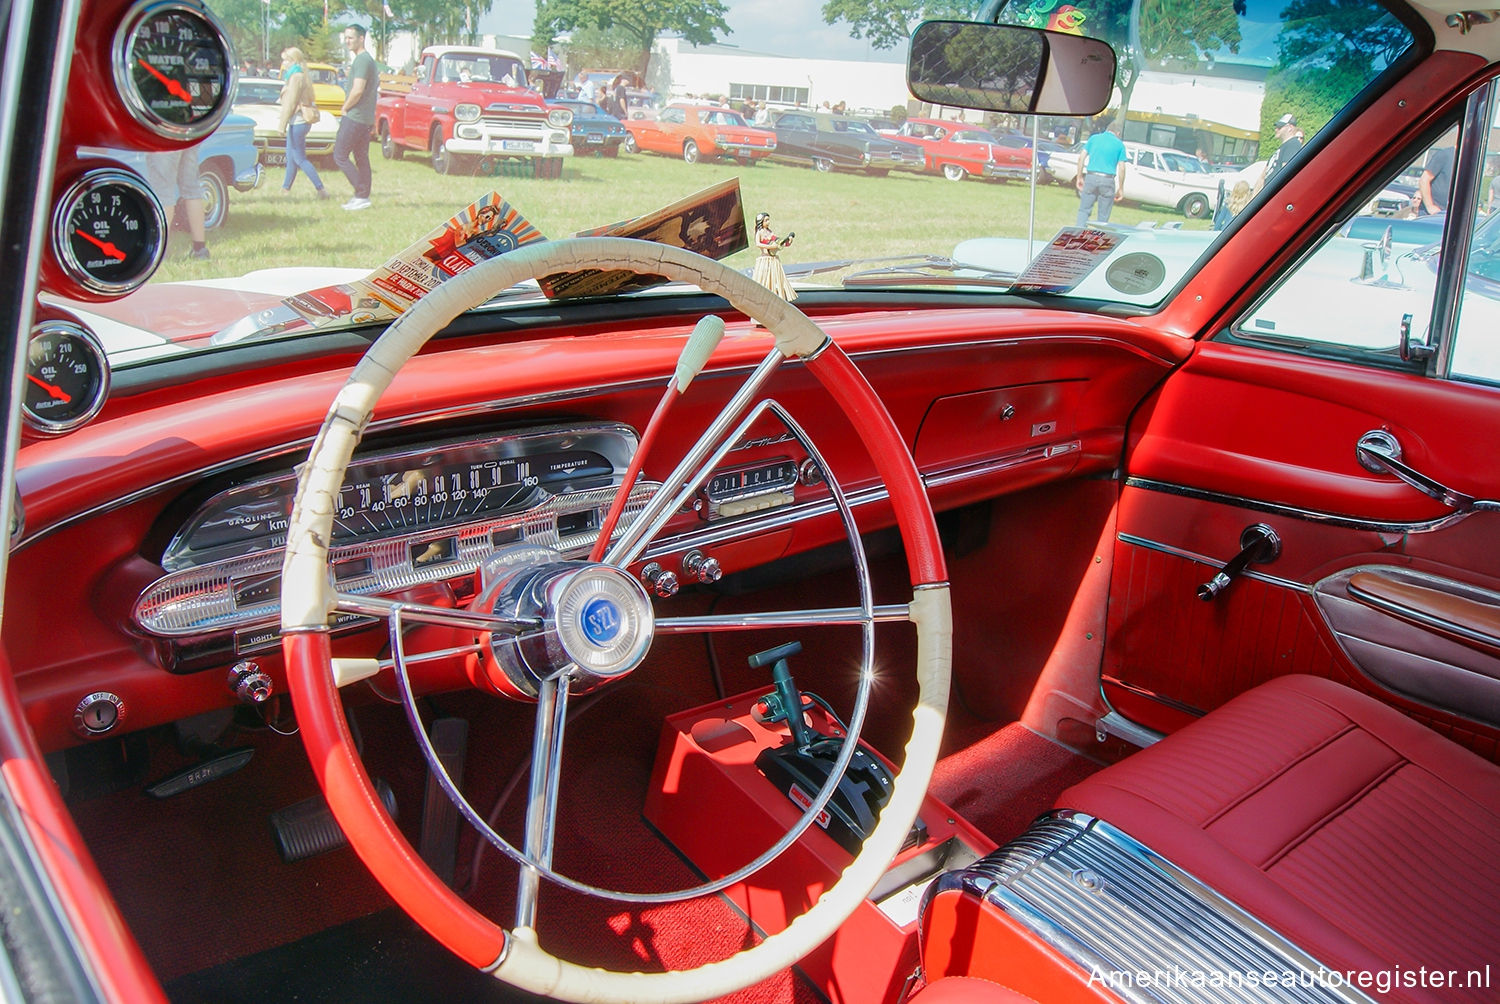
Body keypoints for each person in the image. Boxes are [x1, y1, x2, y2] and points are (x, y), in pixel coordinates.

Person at [333, 23, 379, 211]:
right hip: (365, 117)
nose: (347, 41)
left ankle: (360, 192)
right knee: (361, 157)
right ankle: (362, 197)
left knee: (340, 155)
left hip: (356, 116)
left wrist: (345, 108)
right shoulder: (368, 60)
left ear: (361, 38)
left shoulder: (362, 60)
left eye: (351, 37)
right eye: (346, 38)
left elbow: (358, 89)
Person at [276, 47, 329, 199]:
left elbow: (291, 103)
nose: (283, 63)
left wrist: (282, 125)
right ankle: (285, 188)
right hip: (297, 121)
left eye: (286, 60)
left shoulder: (296, 77)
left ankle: (321, 189)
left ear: (294, 61)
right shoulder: (297, 75)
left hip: (298, 121)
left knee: (299, 158)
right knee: (291, 156)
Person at [145, 145, 209, 260]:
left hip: (165, 136)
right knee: (191, 188)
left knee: (163, 192)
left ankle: (160, 250)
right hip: (190, 133)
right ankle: (200, 248)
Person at [1074, 121, 1127, 227]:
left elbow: (1082, 157)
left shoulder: (1094, 139)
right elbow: (1122, 167)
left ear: (1106, 129)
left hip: (1091, 177)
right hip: (1107, 179)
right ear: (1118, 133)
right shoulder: (1119, 145)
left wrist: (1079, 176)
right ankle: (1098, 237)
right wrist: (1121, 188)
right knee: (1103, 215)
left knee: (1084, 210)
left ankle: (1078, 233)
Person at [750, 212, 796, 303]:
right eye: (766, 220)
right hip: (765, 260)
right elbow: (758, 244)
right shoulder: (760, 232)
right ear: (760, 222)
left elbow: (778, 241)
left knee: (775, 280)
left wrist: (787, 242)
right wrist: (771, 247)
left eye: (768, 220)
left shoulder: (770, 232)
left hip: (773, 260)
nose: (768, 222)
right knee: (763, 281)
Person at [1261, 112, 1303, 185]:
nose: (1276, 129)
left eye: (1279, 127)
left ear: (1290, 128)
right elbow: (1262, 177)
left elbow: (1285, 174)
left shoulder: (1293, 144)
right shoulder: (1282, 148)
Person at [1419, 140, 1455, 216]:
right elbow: (1424, 180)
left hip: (1453, 215)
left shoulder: (1471, 160)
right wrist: (1430, 206)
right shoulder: (1445, 155)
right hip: (1433, 214)